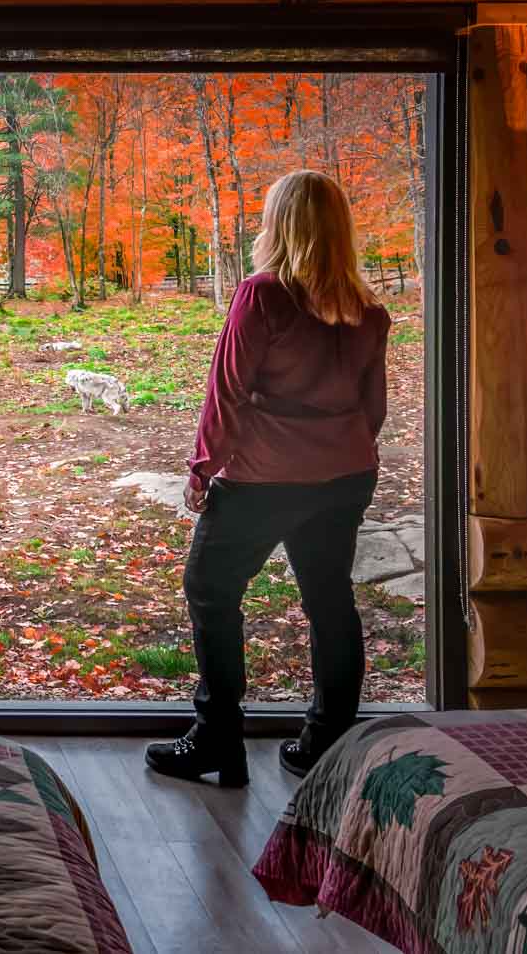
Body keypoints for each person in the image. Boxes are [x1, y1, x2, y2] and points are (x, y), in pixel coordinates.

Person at [145, 169, 391, 788]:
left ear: (279, 225)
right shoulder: (368, 310)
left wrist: (203, 466)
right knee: (331, 600)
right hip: (344, 476)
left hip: (263, 479)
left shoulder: (263, 295)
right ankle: (327, 744)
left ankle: (216, 738)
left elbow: (226, 390)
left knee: (210, 588)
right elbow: (375, 410)